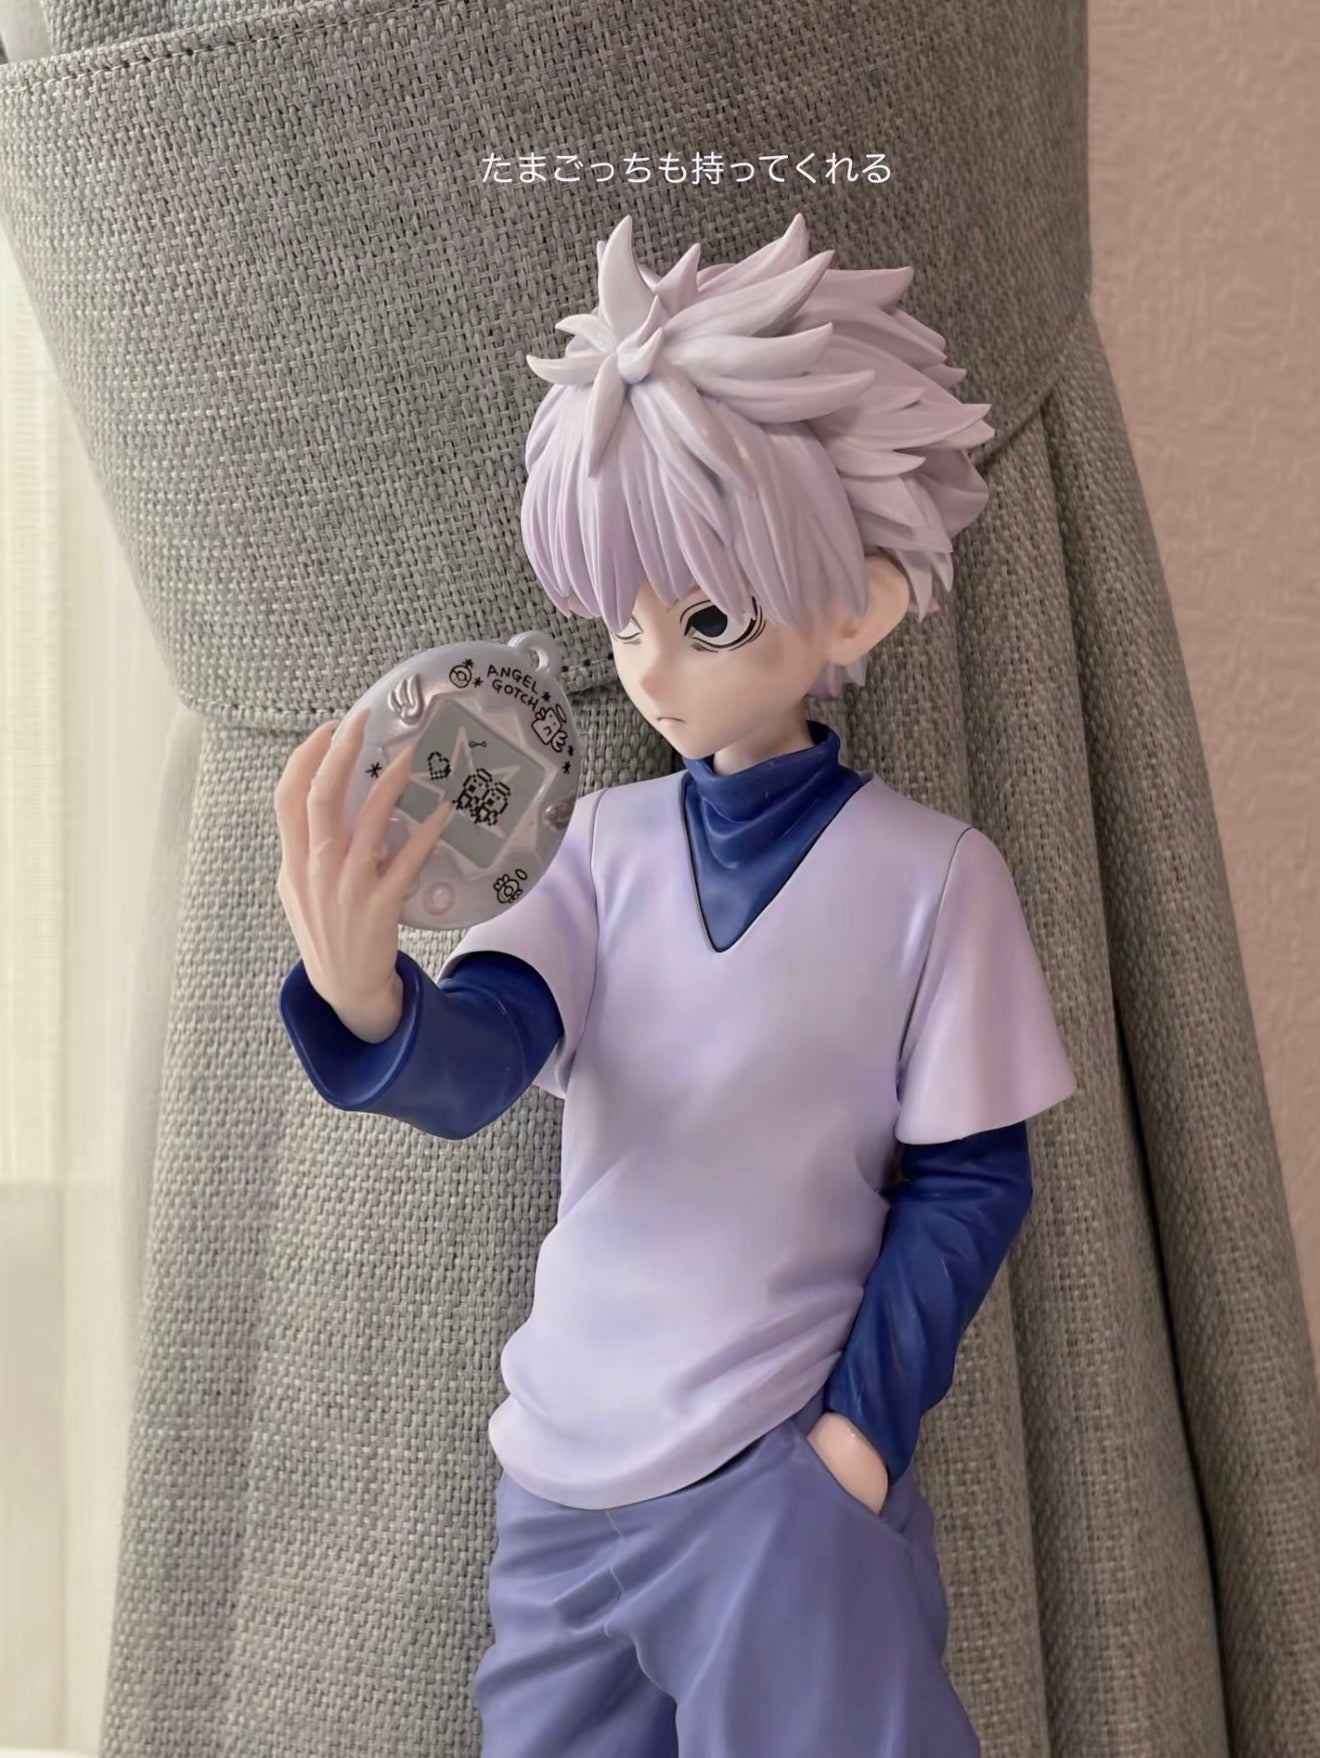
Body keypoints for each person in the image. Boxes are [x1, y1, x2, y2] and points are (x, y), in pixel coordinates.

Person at [274, 212, 1077, 1756]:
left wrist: (855, 1442)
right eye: (627, 619)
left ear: (858, 604)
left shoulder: (934, 878)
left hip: (774, 1483)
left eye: (707, 618)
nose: (650, 665)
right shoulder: (598, 847)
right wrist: (369, 997)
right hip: (561, 1480)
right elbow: (485, 1054)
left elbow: (973, 1184)